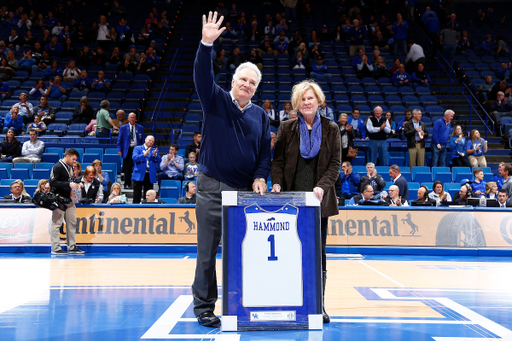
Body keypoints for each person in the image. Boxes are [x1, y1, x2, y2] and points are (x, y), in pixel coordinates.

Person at [191, 12, 272, 328]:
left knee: (244, 254)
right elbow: (201, 76)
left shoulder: (262, 118)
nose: (247, 85)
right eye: (243, 80)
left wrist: (260, 176)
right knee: (207, 253)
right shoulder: (215, 99)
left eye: (253, 83)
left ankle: (243, 303)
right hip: (211, 187)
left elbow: (264, 155)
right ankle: (204, 307)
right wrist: (206, 44)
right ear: (233, 81)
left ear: (256, 89)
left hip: (243, 194)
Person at [271, 78, 341, 324]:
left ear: (319, 101)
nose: (306, 102)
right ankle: (289, 300)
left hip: (318, 202)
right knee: (290, 252)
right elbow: (278, 161)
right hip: (291, 200)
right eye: (302, 98)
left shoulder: (332, 129)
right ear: (296, 104)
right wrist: (277, 183)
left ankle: (318, 304)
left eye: (310, 97)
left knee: (317, 253)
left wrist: (321, 188)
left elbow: (334, 165)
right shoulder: (286, 128)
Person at [49, 148, 85, 255]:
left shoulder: (69, 167)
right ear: (67, 156)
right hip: (59, 199)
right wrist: (69, 184)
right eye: (73, 159)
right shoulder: (58, 166)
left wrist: (77, 185)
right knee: (56, 224)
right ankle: (55, 248)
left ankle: (72, 246)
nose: (75, 161)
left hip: (69, 199)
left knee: (72, 223)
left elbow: (67, 181)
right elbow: (52, 182)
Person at [117, 113, 144, 189]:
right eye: (131, 117)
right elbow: (119, 140)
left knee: (138, 167)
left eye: (133, 117)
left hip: (137, 149)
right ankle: (127, 184)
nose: (132, 119)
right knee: (127, 168)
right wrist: (119, 150)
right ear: (128, 118)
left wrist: (143, 149)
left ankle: (137, 183)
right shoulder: (123, 128)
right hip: (127, 149)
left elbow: (142, 140)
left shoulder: (140, 127)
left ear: (135, 118)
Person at [132, 135, 161, 204]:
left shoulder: (154, 150)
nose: (151, 142)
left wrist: (155, 155)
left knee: (148, 197)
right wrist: (144, 154)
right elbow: (135, 158)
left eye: (152, 141)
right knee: (136, 195)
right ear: (145, 139)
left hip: (149, 175)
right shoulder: (137, 148)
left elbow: (159, 160)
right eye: (149, 140)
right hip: (139, 174)